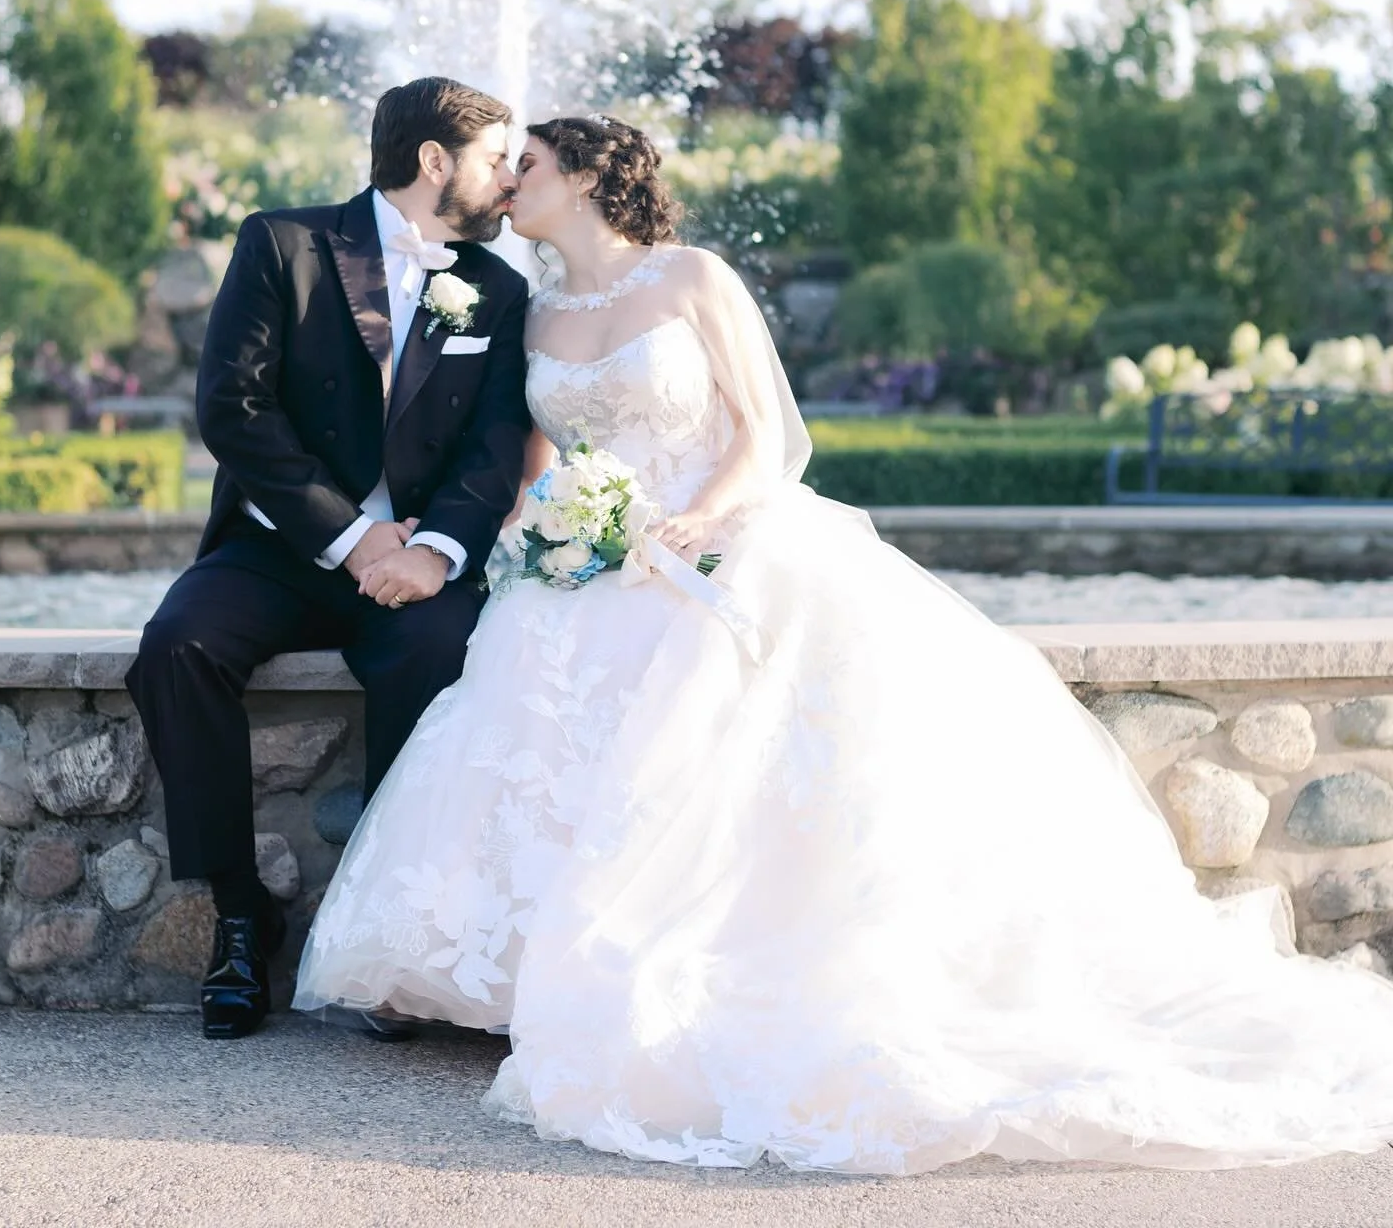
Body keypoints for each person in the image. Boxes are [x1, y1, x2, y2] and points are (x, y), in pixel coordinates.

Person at [296, 114, 1393, 1174]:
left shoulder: (691, 279)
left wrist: (703, 517)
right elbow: (539, 453)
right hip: (590, 567)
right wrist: (551, 531)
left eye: (525, 162)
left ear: (583, 173)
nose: (507, 181)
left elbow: (766, 432)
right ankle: (507, 981)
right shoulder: (532, 312)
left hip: (715, 542)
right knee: (521, 711)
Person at [127, 76, 531, 1040]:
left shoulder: (500, 289)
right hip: (285, 547)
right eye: (493, 158)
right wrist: (351, 537)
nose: (508, 178)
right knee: (177, 646)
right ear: (435, 161)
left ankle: (389, 937)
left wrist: (434, 550)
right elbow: (234, 407)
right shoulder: (284, 243)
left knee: (438, 658)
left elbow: (495, 444)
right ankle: (237, 913)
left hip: (417, 567)